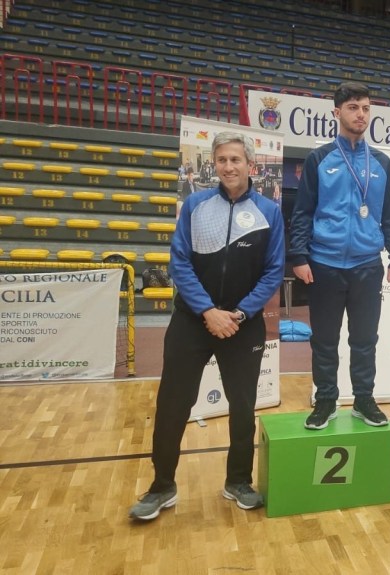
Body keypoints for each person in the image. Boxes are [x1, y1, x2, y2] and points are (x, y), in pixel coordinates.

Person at [128, 132, 285, 521]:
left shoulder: (270, 211)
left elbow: (273, 271)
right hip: (192, 320)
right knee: (172, 405)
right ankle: (162, 486)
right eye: (221, 160)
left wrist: (239, 313)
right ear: (213, 164)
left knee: (243, 407)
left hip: (242, 324)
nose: (228, 167)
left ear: (250, 165)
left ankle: (239, 481)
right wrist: (208, 311)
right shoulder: (196, 205)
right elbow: (179, 263)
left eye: (235, 159)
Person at [289, 82, 390, 429]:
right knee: (324, 340)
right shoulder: (319, 159)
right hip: (324, 263)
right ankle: (325, 401)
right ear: (337, 112)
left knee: (365, 339)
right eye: (353, 108)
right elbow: (302, 211)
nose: (361, 115)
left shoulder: (381, 162)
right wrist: (298, 256)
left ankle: (363, 399)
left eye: (366, 108)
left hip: (367, 264)